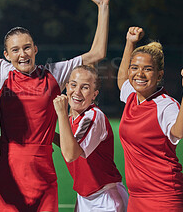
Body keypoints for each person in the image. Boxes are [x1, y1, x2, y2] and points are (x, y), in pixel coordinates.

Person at [0, 0, 110, 211]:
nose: (22, 54)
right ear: (6, 55)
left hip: (43, 170)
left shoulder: (53, 73)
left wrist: (103, 7)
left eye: (27, 47)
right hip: (9, 168)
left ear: (35, 49)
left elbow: (98, 53)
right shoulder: (2, 71)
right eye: (15, 50)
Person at [117, 26, 183, 211]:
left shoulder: (166, 105)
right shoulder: (131, 96)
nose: (139, 74)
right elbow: (122, 81)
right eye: (134, 68)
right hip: (136, 198)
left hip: (165, 197)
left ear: (160, 75)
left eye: (147, 69)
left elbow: (181, 132)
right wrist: (130, 42)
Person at [53, 65, 128, 212]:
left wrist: (61, 113)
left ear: (94, 94)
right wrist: (48, 134)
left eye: (85, 87)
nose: (77, 92)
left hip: (106, 198)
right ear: (67, 87)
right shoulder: (72, 120)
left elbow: (71, 154)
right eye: (73, 85)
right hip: (84, 197)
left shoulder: (93, 117)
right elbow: (70, 145)